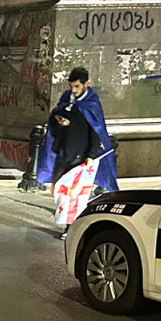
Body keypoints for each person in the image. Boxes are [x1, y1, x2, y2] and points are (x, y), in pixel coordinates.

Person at [37, 66, 119, 239]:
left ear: (86, 84)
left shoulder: (92, 102)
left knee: (73, 193)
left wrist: (91, 154)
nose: (73, 90)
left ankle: (71, 226)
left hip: (80, 154)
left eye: (77, 87)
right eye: (71, 86)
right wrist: (59, 119)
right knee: (58, 187)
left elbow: (96, 129)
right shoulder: (67, 98)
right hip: (63, 150)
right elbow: (57, 112)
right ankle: (68, 217)